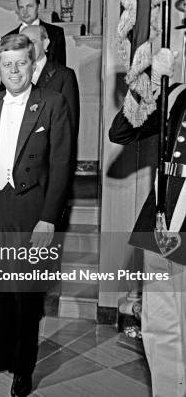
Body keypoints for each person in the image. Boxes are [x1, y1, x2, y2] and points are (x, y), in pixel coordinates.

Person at [0, 34, 72, 397]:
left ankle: (23, 371)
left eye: (21, 62)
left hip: (31, 211)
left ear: (32, 64)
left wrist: (49, 218)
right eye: (6, 63)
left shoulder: (52, 103)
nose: (13, 70)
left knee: (25, 295)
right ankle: (0, 356)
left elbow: (61, 166)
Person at [109, 47, 186, 397]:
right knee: (159, 325)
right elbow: (121, 132)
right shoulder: (178, 95)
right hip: (161, 224)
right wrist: (149, 88)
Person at [21, 25, 79, 144]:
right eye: (23, 43)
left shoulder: (64, 75)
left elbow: (70, 123)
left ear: (46, 43)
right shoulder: (13, 74)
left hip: (51, 150)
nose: (28, 48)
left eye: (32, 42)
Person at [5, 0, 66, 66]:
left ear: (38, 6)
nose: (25, 12)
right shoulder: (8, 37)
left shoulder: (55, 32)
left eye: (29, 6)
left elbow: (61, 69)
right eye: (21, 7)